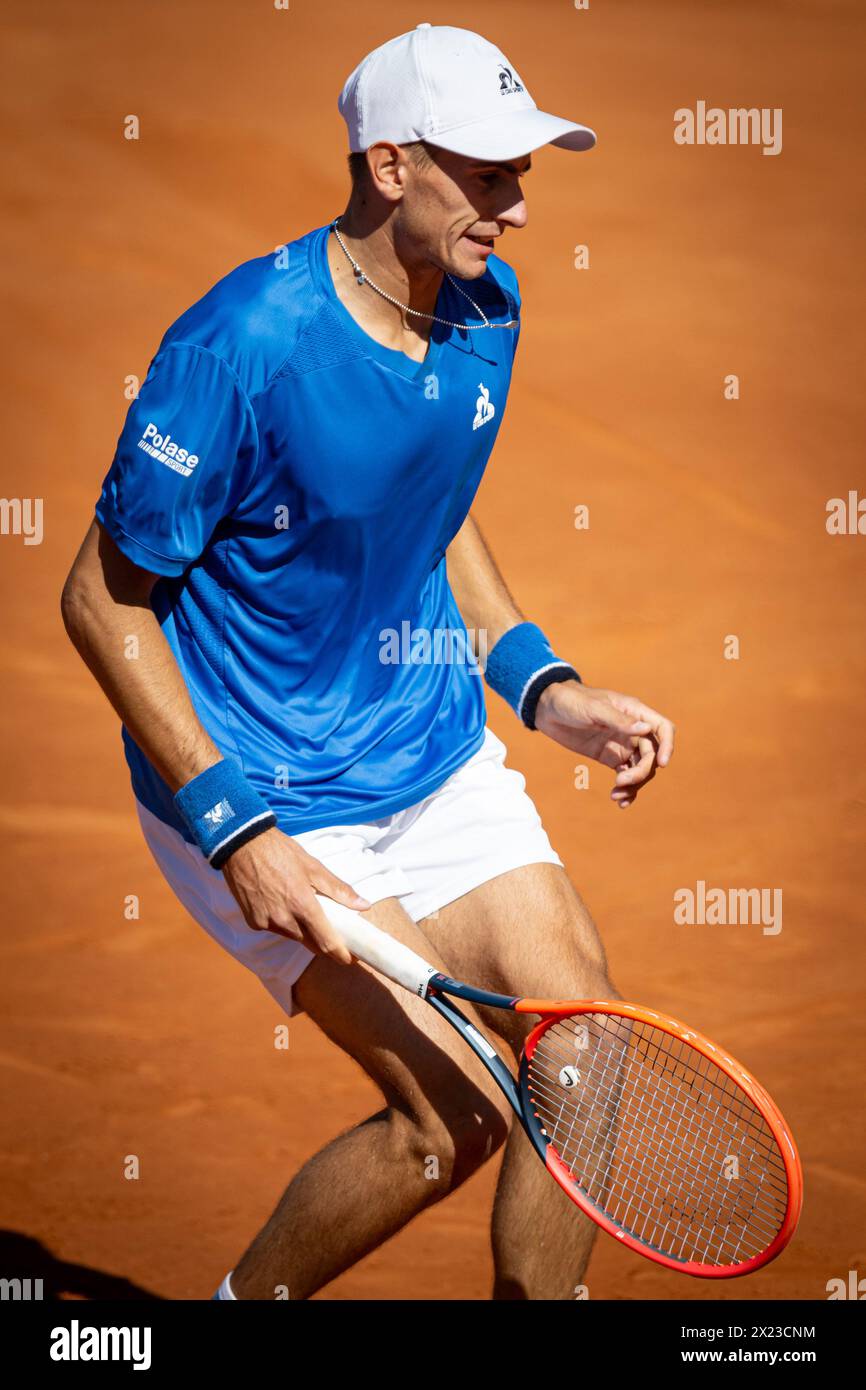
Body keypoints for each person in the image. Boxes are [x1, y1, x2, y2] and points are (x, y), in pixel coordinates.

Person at [61, 24, 675, 1300]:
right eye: (489, 172)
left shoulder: (481, 310)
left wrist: (539, 686)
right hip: (259, 780)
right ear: (391, 164)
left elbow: (429, 504)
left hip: (427, 753)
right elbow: (100, 600)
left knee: (589, 1060)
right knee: (447, 1117)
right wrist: (235, 828)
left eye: (521, 173)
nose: (514, 203)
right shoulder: (238, 347)